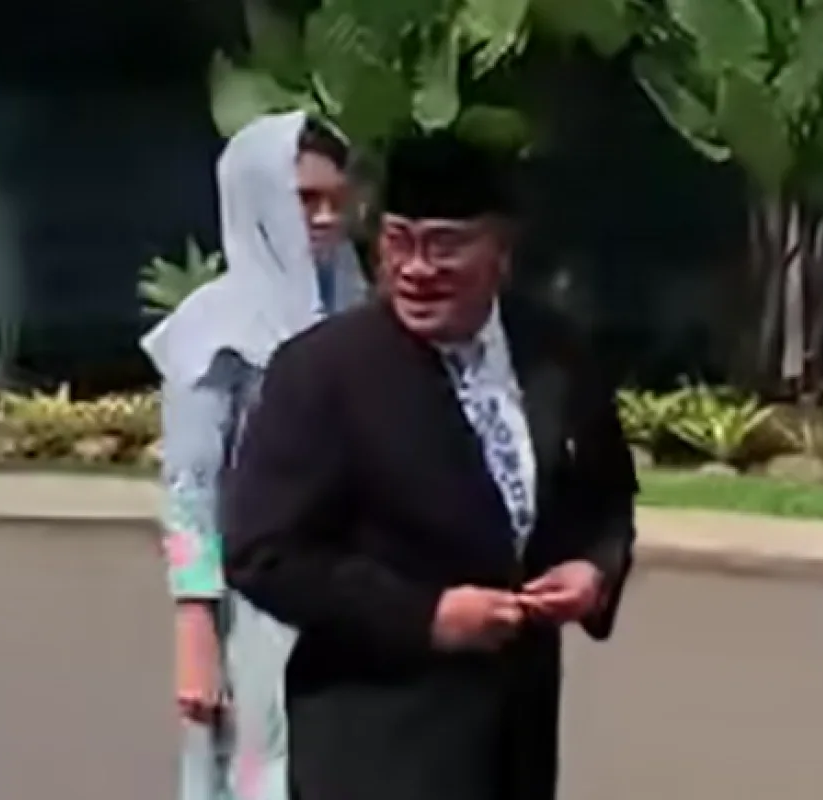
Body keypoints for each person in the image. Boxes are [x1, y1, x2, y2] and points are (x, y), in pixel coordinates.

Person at [223, 131, 639, 800]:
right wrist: (426, 615)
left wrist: (593, 569)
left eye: (445, 246)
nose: (416, 269)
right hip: (378, 748)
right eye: (399, 242)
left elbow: (605, 494)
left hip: (515, 744)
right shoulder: (324, 372)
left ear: (501, 250)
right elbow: (263, 554)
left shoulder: (554, 351)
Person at [140, 111, 367, 800]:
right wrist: (195, 630)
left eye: (337, 201)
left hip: (362, 589)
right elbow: (191, 487)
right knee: (266, 764)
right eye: (306, 200)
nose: (325, 219)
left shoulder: (361, 312)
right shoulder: (216, 328)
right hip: (263, 599)